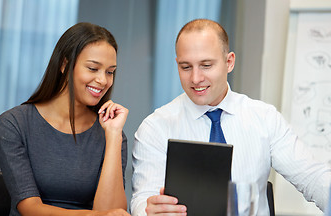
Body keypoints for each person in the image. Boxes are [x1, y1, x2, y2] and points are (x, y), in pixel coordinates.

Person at [130, 19, 331, 215]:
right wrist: (148, 211)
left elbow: (312, 178)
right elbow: (142, 198)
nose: (196, 78)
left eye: (206, 65)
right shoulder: (155, 127)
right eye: (186, 67)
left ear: (229, 62)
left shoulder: (264, 118)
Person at [0, 22, 130, 216]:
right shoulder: (14, 123)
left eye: (110, 72)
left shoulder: (112, 133)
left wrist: (113, 136)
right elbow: (29, 208)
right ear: (64, 65)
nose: (103, 80)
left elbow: (112, 211)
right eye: (93, 69)